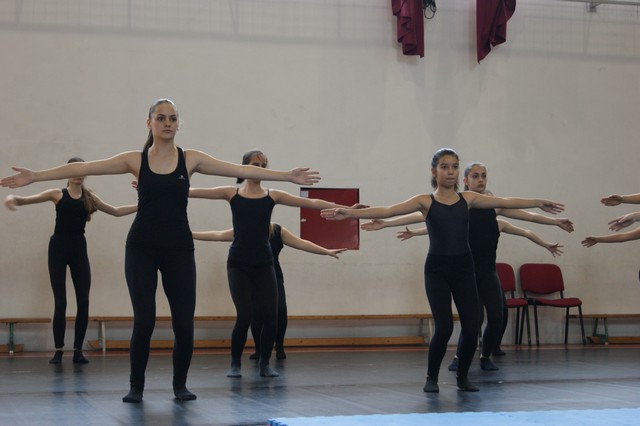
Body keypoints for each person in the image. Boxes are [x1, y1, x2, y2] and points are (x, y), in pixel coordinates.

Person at [0, 99, 320, 403]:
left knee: (184, 323)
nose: (167, 123)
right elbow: (89, 167)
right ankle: (136, 387)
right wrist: (35, 176)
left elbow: (243, 171)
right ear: (149, 123)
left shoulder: (190, 158)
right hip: (141, 248)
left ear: (179, 124)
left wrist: (285, 176)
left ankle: (180, 385)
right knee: (145, 321)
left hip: (179, 248)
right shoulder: (135, 160)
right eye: (161, 118)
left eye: (173, 118)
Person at [321, 148, 564, 393]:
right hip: (437, 271)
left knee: (471, 327)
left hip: (464, 269)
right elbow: (388, 210)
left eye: (455, 166)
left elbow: (505, 202)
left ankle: (462, 377)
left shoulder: (468, 199)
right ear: (434, 171)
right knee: (445, 327)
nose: (450, 172)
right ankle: (432, 377)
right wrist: (349, 213)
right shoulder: (425, 201)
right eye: (445, 167)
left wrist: (538, 202)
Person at [360, 162, 571, 370]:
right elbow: (421, 215)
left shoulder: (494, 206)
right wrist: (387, 224)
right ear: (466, 180)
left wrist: (555, 221)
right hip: (466, 272)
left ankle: (485, 356)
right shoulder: (461, 204)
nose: (481, 180)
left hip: (488, 272)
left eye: (484, 176)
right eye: (476, 176)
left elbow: (527, 216)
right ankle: (459, 357)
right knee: (474, 319)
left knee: (497, 316)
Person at [188, 149, 357, 379]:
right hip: (238, 265)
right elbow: (194, 192)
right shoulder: (231, 193)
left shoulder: (272, 195)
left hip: (264, 265)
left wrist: (345, 209)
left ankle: (265, 364)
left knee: (271, 316)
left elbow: (310, 202)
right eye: (254, 164)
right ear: (243, 167)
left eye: (263, 165)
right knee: (245, 315)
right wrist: (157, 187)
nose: (259, 168)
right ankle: (235, 363)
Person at [4, 157, 137, 365]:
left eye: (82, 170)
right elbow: (25, 200)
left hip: (78, 249)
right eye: (74, 170)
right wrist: (13, 197)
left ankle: (78, 350)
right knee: (61, 301)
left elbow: (116, 211)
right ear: (67, 172)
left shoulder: (89, 198)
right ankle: (58, 350)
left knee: (83, 301)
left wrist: (142, 204)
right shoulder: (57, 194)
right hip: (58, 248)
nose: (78, 174)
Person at [192, 223, 347, 361]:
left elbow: (301, 243)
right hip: (251, 276)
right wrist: (191, 234)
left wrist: (326, 251)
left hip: (273, 274)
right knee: (256, 313)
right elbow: (218, 235)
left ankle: (279, 345)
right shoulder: (244, 228)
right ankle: (259, 349)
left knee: (280, 310)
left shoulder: (278, 231)